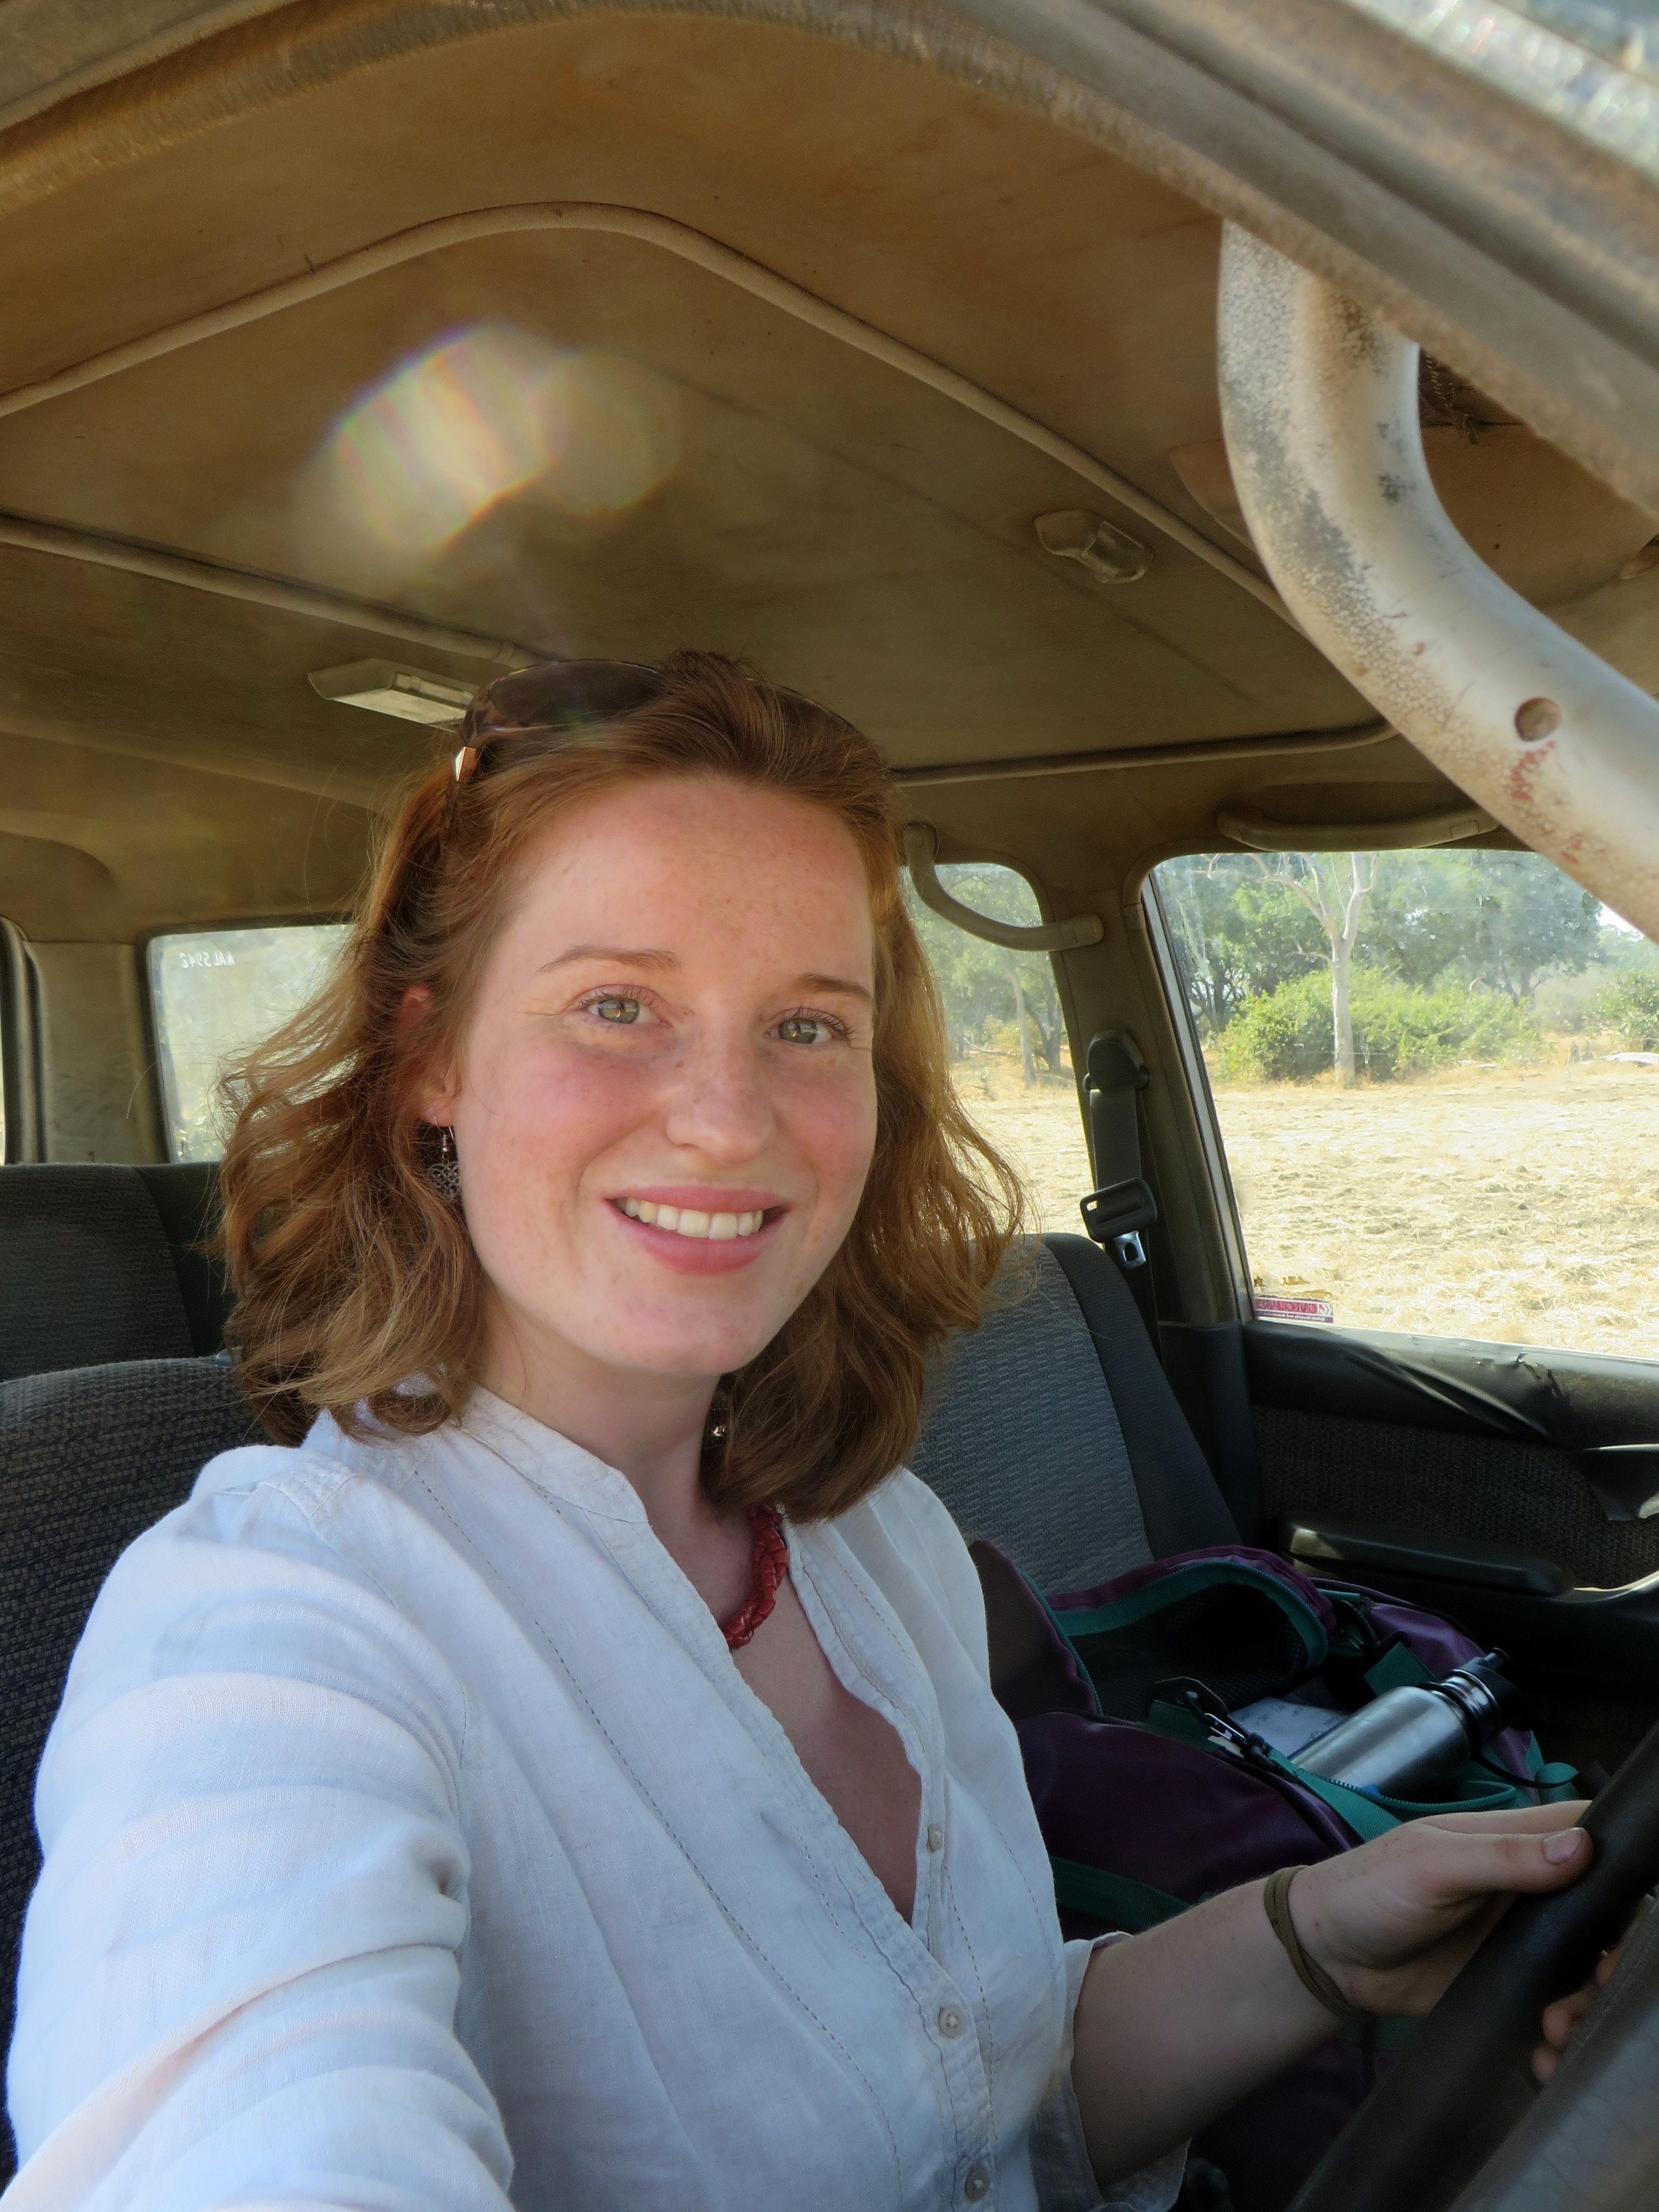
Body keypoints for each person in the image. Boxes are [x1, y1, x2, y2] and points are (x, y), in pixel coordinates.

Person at [4, 654, 1601, 2211]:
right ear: (432, 1059)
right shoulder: (267, 1637)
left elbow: (987, 2112)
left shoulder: (877, 1540)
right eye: (616, 1005)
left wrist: (1321, 1936)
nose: (727, 1118)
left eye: (808, 1027)